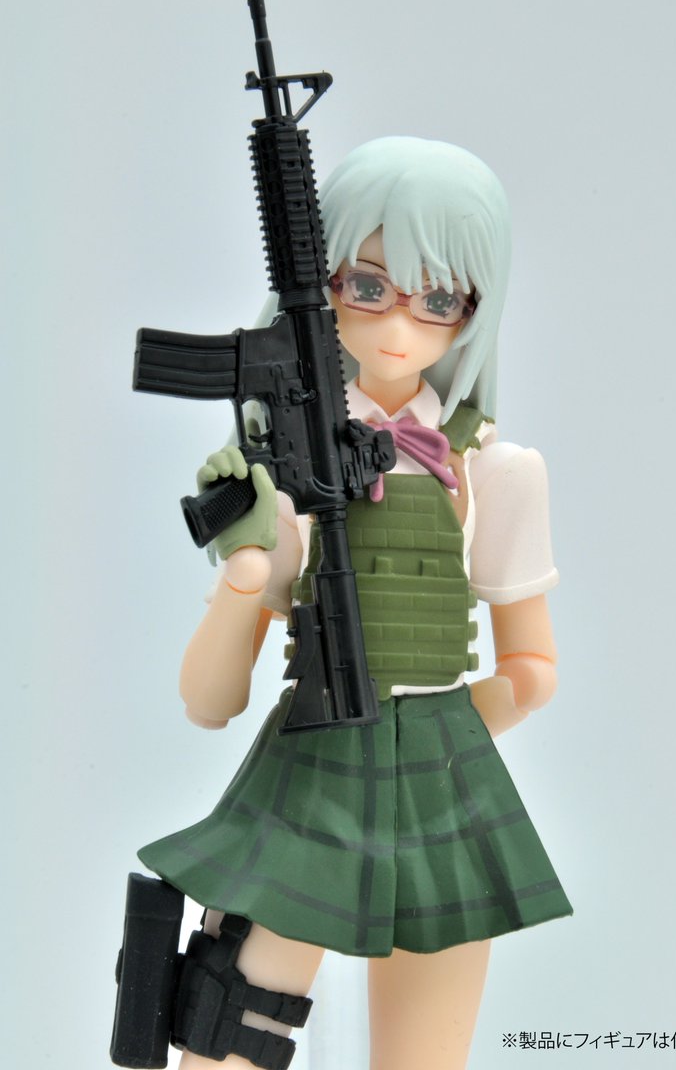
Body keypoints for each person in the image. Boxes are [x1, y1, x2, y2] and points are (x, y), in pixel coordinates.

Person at [138, 136, 572, 1070]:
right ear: (324, 286)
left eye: (439, 300)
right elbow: (208, 701)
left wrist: (449, 732)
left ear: (475, 311)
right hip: (322, 757)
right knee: (232, 1020)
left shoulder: (491, 470)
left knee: (426, 1051)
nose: (399, 326)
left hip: (442, 767)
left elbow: (532, 669)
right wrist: (244, 580)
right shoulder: (283, 469)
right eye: (367, 287)